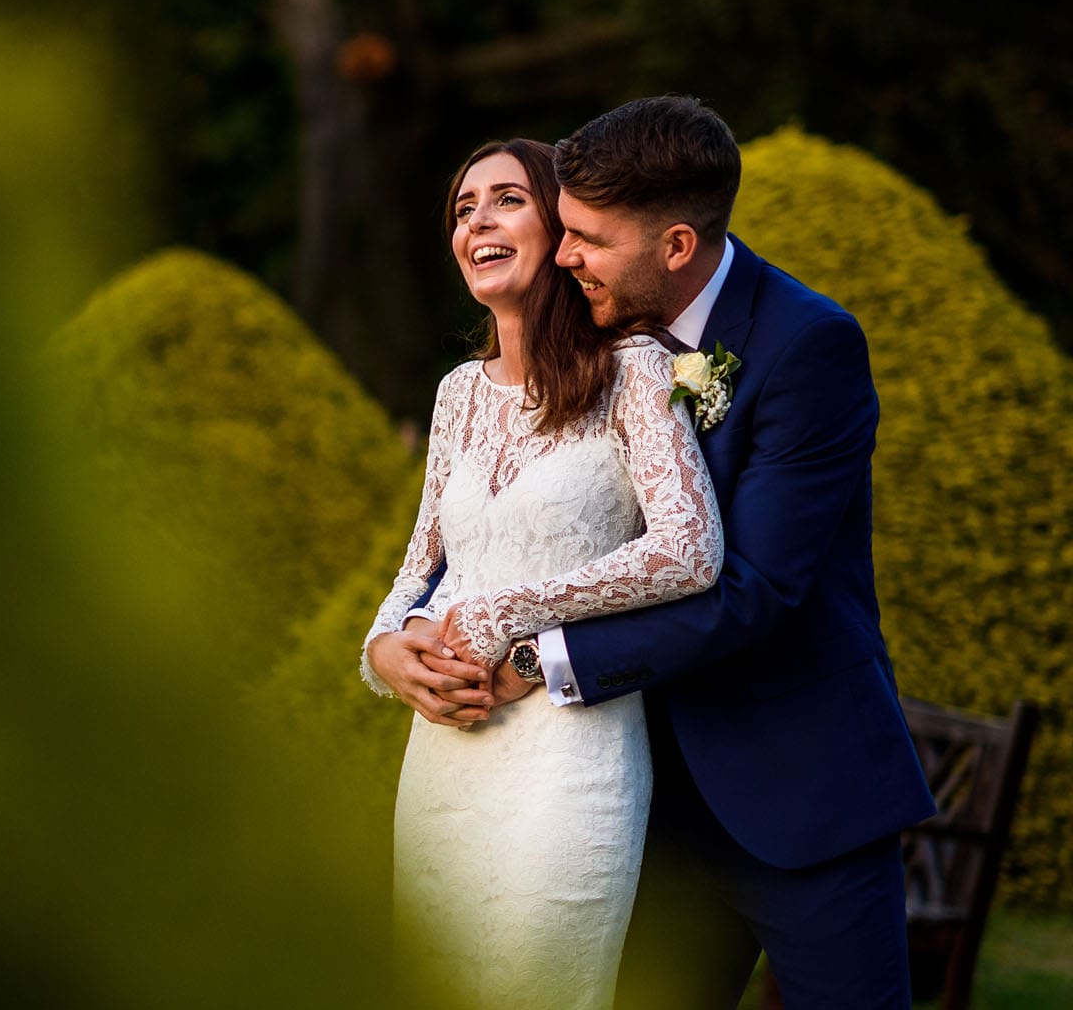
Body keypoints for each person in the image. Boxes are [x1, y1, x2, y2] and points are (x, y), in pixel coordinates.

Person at [375, 96, 937, 1009]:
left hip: (795, 790)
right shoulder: (586, 337)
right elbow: (497, 525)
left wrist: (542, 657)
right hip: (630, 796)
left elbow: (755, 587)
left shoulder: (806, 346)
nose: (565, 254)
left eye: (587, 238)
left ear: (675, 245)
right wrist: (393, 640)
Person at [360, 135, 725, 1009]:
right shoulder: (456, 394)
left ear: (562, 231)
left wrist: (512, 610)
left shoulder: (636, 370)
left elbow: (690, 547)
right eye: (464, 208)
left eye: (506, 199)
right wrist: (384, 649)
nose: (477, 221)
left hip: (572, 753)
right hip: (446, 754)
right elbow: (420, 567)